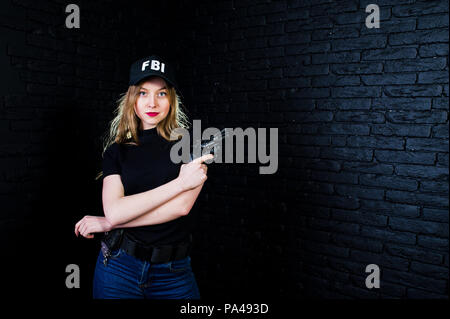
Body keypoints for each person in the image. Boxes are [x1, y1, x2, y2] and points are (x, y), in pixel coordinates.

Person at [74, 55, 213, 299]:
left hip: (174, 274)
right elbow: (115, 211)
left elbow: (180, 207)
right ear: (132, 100)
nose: (152, 103)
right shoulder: (116, 151)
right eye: (142, 93)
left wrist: (109, 223)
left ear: (171, 99)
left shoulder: (191, 145)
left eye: (161, 93)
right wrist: (180, 183)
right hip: (119, 269)